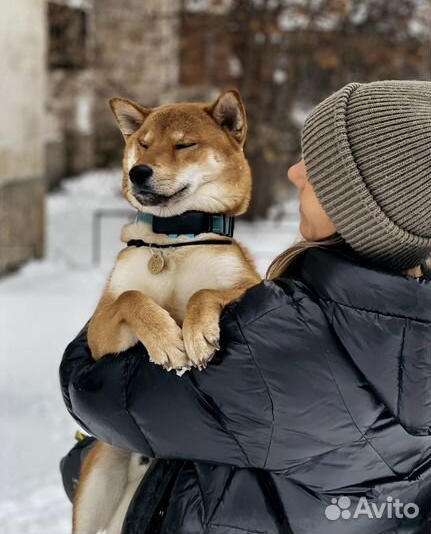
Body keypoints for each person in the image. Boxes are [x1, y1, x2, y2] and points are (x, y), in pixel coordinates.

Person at [59, 80, 431, 534]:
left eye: (318, 168)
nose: (295, 173)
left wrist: (121, 308)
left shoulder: (283, 337)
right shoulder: (405, 316)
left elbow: (100, 392)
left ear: (363, 203)